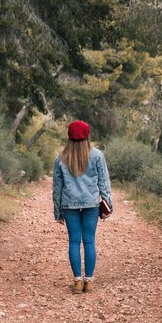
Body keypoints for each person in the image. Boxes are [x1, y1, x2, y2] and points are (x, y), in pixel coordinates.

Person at [52, 120, 113, 294]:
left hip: (69, 204)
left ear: (69, 137)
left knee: (73, 242)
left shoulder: (61, 158)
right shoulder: (97, 155)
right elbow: (104, 182)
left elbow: (57, 188)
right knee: (89, 241)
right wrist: (108, 204)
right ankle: (89, 282)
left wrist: (58, 212)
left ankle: (77, 282)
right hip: (91, 204)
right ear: (87, 136)